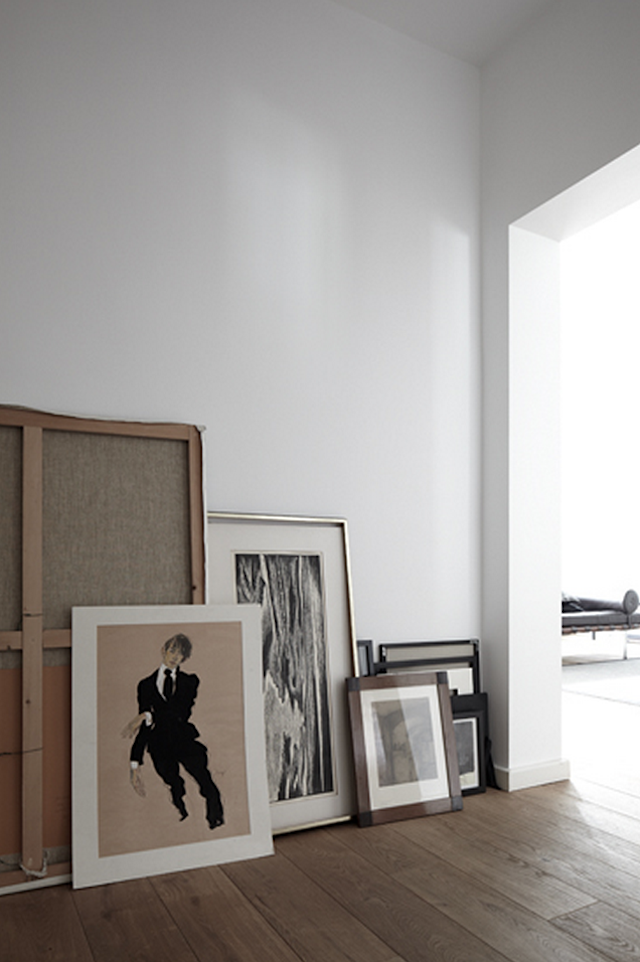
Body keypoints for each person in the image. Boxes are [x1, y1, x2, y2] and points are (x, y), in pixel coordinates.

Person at [121, 632, 224, 829]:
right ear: (164, 650)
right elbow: (144, 728)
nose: (175, 656)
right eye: (172, 650)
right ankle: (183, 815)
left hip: (183, 740)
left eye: (180, 653)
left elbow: (179, 713)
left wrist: (146, 715)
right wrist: (134, 764)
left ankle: (216, 819)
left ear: (185, 657)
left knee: (205, 781)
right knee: (174, 786)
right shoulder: (145, 685)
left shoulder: (190, 681)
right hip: (159, 746)